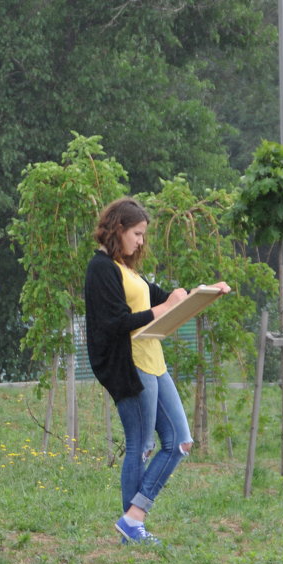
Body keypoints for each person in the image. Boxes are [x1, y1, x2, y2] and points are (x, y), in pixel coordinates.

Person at [83, 197, 230, 546]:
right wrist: (163, 306)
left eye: (143, 234)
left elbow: (162, 300)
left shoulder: (128, 269)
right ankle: (132, 528)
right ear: (117, 230)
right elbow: (114, 324)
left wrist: (197, 295)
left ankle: (133, 517)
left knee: (180, 441)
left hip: (154, 361)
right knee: (141, 445)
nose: (141, 241)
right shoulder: (101, 269)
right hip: (131, 365)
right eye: (136, 233)